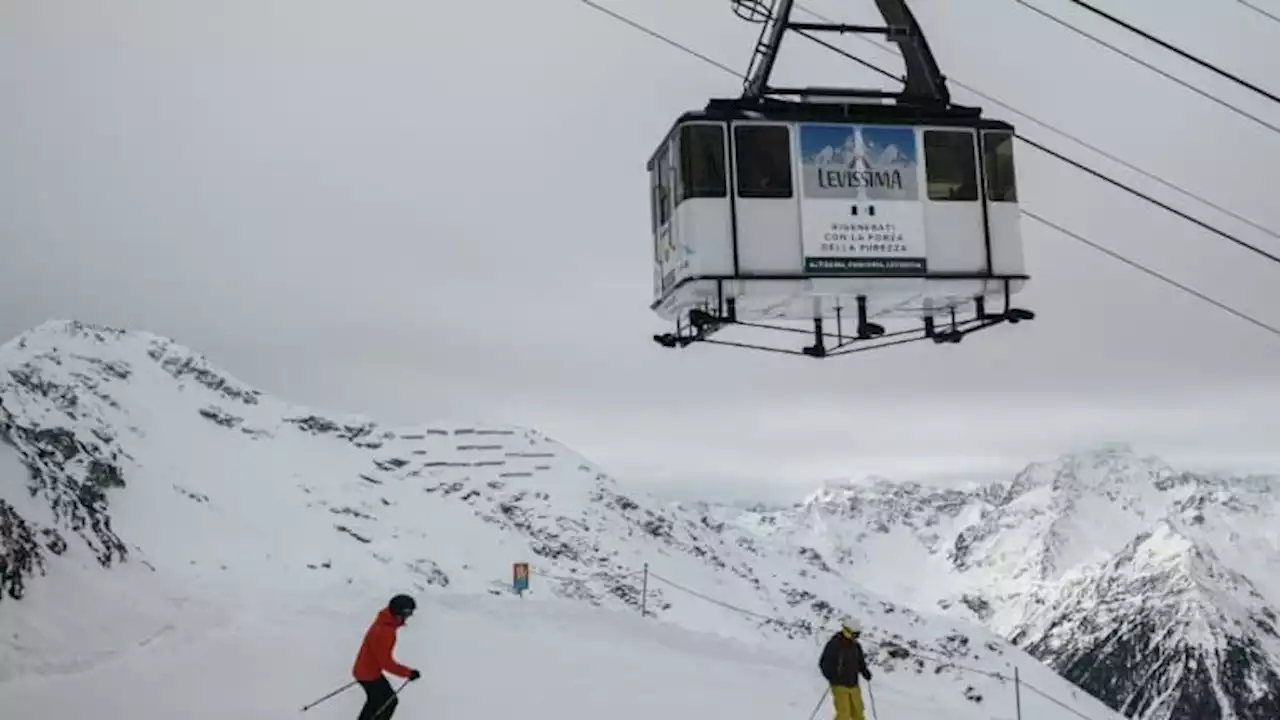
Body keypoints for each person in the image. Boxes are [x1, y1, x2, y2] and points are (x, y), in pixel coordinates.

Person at [353, 594, 421, 720]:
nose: (409, 617)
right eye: (408, 613)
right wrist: (408, 673)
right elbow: (386, 663)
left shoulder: (384, 621)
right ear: (399, 613)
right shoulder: (385, 631)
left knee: (378, 702)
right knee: (388, 702)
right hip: (368, 674)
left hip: (367, 671)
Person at [818, 616, 873, 720]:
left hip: (853, 684)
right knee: (844, 714)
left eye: (858, 634)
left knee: (858, 712)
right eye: (855, 634)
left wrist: (865, 672)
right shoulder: (835, 644)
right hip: (839, 685)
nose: (857, 637)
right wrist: (832, 676)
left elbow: (860, 662)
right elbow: (824, 663)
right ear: (847, 631)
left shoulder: (856, 646)